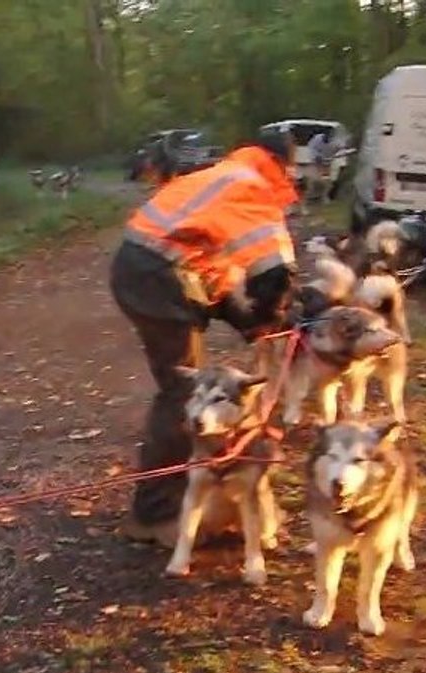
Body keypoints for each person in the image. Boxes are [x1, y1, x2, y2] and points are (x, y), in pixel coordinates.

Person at [109, 126, 300, 539]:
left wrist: (249, 320)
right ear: (284, 165)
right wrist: (272, 312)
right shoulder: (253, 187)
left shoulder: (228, 177)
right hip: (156, 274)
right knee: (182, 390)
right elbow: (276, 275)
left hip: (149, 269)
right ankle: (155, 516)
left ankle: (170, 499)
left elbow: (218, 273)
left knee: (180, 385)